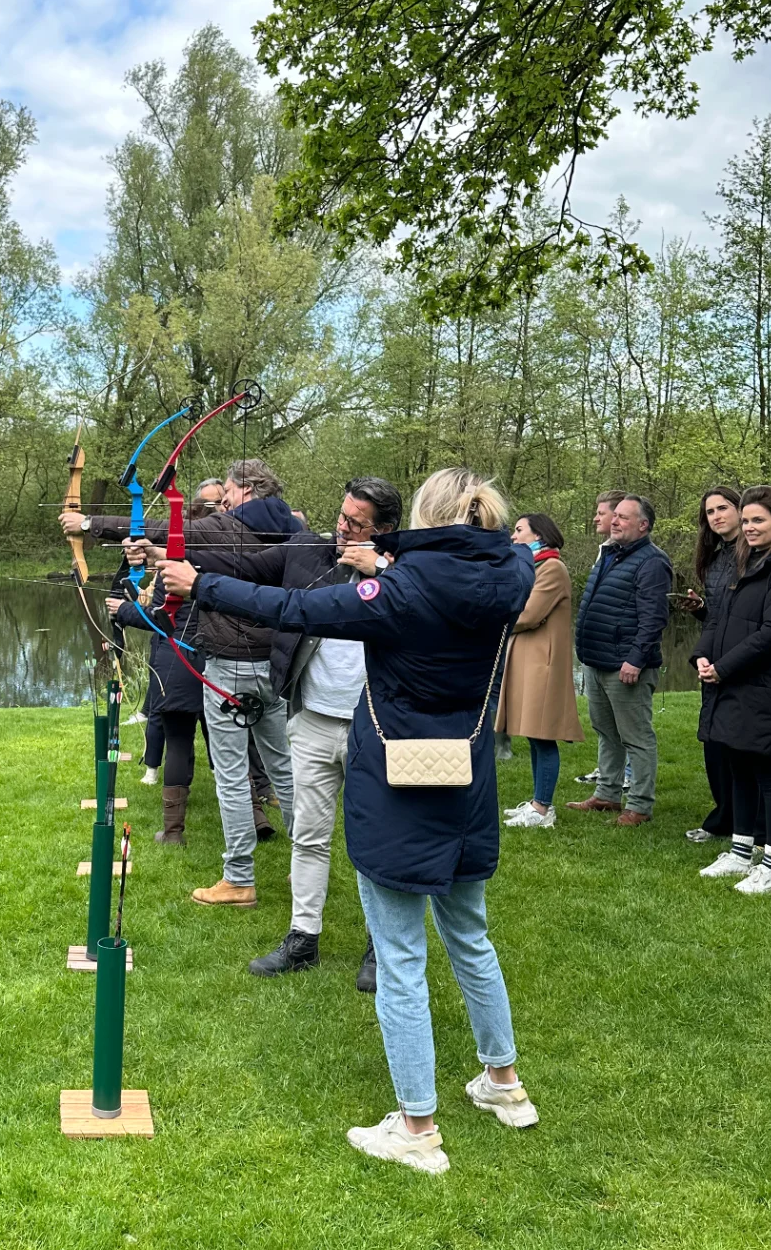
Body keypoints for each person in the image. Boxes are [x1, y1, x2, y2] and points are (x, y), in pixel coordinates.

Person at [157, 466, 538, 1176]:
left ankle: (417, 1127)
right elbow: (492, 557)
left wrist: (199, 583)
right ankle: (504, 1085)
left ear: (421, 518)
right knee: (470, 935)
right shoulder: (511, 572)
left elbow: (293, 608)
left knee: (399, 957)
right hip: (465, 780)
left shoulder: (399, 593)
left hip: (399, 788)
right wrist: (389, 559)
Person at [168, 475, 403, 984]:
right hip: (314, 717)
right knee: (309, 836)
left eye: (357, 524)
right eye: (342, 517)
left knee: (375, 841)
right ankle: (302, 938)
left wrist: (383, 571)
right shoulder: (308, 551)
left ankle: (379, 947)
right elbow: (242, 568)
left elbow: (430, 609)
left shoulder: (405, 569)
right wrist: (166, 549)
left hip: (374, 725)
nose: (343, 529)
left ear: (384, 530)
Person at [63, 459, 297, 907]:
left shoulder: (231, 527)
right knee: (282, 770)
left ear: (247, 490)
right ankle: (307, 869)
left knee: (231, 776)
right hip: (276, 668)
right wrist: (158, 555)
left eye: (228, 493)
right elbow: (185, 544)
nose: (223, 503)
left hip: (230, 666)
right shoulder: (293, 529)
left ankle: (239, 878)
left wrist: (88, 523)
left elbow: (164, 528)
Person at [693, 485, 771, 895]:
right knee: (739, 768)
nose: (749, 527)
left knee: (768, 773)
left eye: (758, 520)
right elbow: (719, 617)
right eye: (746, 520)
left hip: (769, 686)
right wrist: (702, 656)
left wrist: (724, 668)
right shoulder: (747, 560)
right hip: (733, 682)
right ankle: (740, 851)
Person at [568, 495, 673, 826]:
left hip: (626, 666)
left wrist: (636, 660)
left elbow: (654, 618)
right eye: (614, 516)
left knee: (636, 737)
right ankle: (607, 794)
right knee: (606, 732)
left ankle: (639, 805)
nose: (614, 521)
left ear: (643, 525)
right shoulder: (611, 554)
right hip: (597, 660)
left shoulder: (652, 562)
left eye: (623, 517)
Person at [497, 512, 582, 828]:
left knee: (543, 736)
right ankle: (537, 803)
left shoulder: (552, 568)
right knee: (534, 735)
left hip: (543, 666)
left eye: (519, 530)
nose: (513, 536)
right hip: (529, 662)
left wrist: (493, 616)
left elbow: (528, 614)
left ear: (539, 535)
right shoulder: (533, 567)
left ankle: (542, 809)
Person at [108, 584, 207, 842]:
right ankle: (257, 816)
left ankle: (173, 833)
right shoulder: (223, 565)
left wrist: (123, 609)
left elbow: (162, 617)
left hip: (179, 661)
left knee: (178, 743)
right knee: (232, 747)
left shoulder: (174, 570)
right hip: (222, 662)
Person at [138, 485, 221, 781]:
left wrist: (124, 610)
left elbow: (157, 613)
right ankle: (246, 794)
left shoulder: (186, 564)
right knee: (213, 735)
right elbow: (159, 608)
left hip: (185, 657)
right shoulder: (221, 561)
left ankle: (173, 813)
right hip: (199, 656)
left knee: (180, 737)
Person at [678, 488, 744, 842]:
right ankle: (723, 818)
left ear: (740, 509)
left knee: (740, 744)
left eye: (723, 508)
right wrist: (701, 609)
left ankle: (746, 823)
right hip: (713, 658)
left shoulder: (756, 557)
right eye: (710, 512)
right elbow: (719, 616)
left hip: (744, 660)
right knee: (714, 741)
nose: (717, 516)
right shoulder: (716, 560)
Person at [575, 493, 623, 785]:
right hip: (595, 652)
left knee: (626, 723)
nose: (595, 518)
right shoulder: (604, 550)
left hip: (618, 654)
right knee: (604, 722)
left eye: (601, 512)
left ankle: (628, 775)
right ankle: (608, 774)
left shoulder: (632, 555)